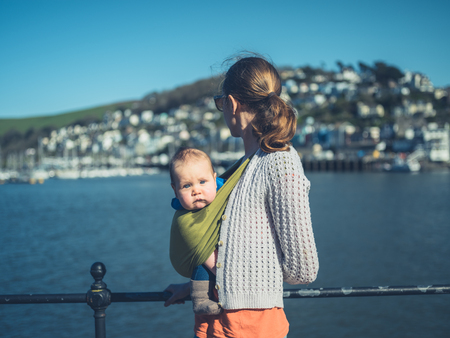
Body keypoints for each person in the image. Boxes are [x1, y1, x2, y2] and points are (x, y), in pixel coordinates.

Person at [164, 54, 319, 338]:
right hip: (216, 320)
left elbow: (304, 268)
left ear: (232, 103)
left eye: (221, 103)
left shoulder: (280, 161)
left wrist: (249, 281)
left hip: (251, 326)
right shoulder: (244, 165)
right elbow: (236, 251)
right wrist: (194, 287)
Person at [169, 147, 225, 315]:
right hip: (213, 268)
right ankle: (200, 300)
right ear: (175, 190)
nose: (196, 190)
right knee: (200, 261)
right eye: (187, 186)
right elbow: (216, 267)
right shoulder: (185, 219)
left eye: (202, 182)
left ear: (215, 180)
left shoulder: (224, 193)